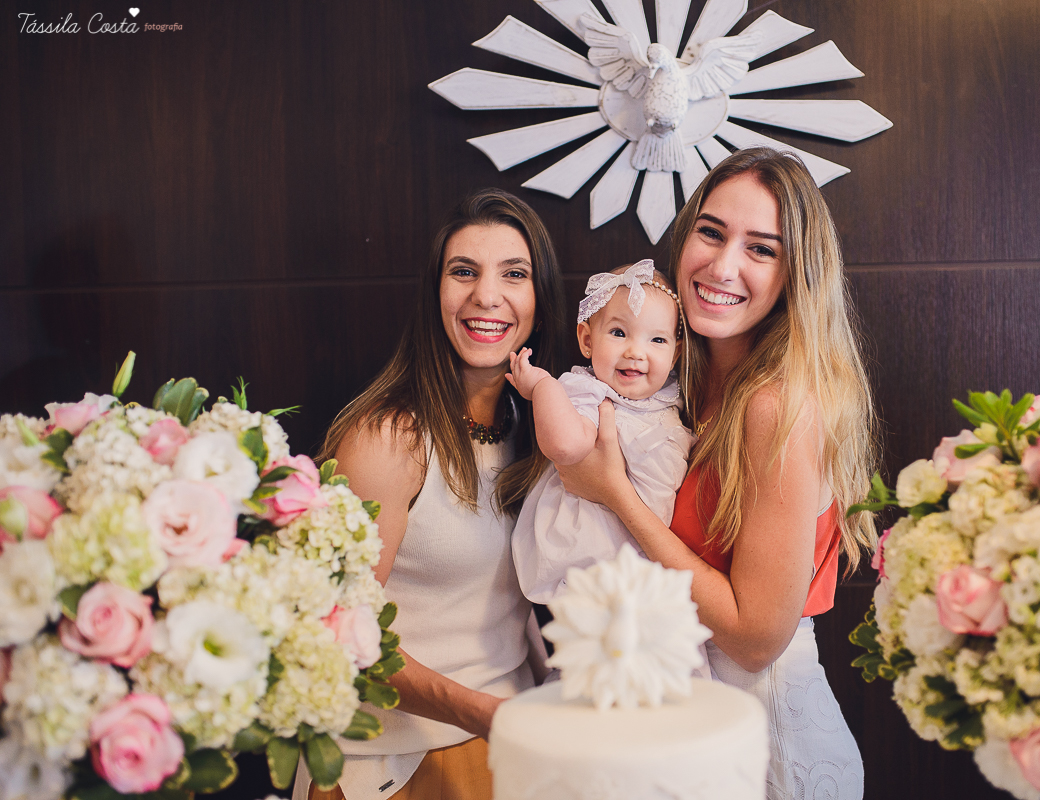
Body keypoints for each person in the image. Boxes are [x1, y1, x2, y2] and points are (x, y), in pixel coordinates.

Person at [558, 147, 879, 800]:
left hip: (767, 747)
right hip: (692, 726)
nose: (723, 265)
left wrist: (615, 493)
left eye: (761, 248)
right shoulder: (680, 379)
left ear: (796, 273)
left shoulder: (777, 404)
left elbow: (756, 640)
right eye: (711, 232)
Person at [299, 188, 568, 800]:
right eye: (463, 272)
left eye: (514, 274)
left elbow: (503, 606)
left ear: (541, 299)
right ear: (435, 293)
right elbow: (336, 631)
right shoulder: (387, 439)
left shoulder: (536, 426)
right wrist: (485, 713)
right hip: (396, 757)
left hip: (514, 738)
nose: (486, 296)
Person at [505, 259, 694, 604]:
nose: (636, 352)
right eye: (619, 333)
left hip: (653, 560)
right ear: (587, 340)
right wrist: (544, 387)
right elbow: (565, 447)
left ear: (676, 352)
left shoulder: (672, 397)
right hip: (593, 558)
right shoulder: (588, 393)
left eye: (657, 339)